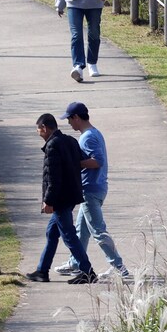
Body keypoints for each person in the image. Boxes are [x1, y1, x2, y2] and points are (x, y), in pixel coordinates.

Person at [55, 102, 131, 279]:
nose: (69, 123)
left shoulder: (87, 137)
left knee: (98, 231)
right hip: (95, 188)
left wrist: (73, 164)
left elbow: (97, 161)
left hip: (90, 189)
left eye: (69, 119)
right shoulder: (94, 133)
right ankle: (75, 262)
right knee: (81, 230)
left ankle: (119, 267)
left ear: (76, 117)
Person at [28, 113, 98, 284]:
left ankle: (88, 271)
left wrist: (48, 201)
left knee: (68, 235)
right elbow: (81, 162)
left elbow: (53, 178)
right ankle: (42, 271)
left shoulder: (53, 145)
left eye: (38, 129)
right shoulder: (71, 141)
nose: (38, 133)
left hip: (60, 198)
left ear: (44, 127)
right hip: (71, 195)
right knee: (52, 233)